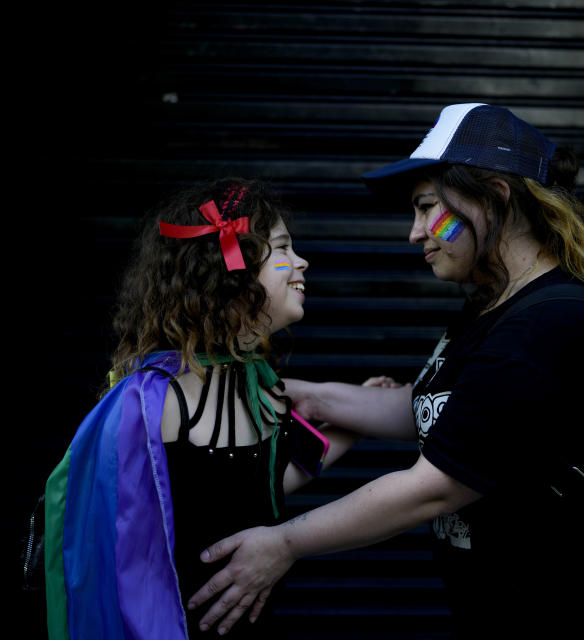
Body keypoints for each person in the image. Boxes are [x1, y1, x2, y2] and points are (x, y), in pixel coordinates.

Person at [187, 105, 584, 637]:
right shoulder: (496, 308)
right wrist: (307, 396)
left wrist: (283, 543)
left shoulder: (550, 324)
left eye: (428, 208)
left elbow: (436, 487)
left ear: (495, 195)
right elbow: (455, 416)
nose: (416, 233)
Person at [42, 178, 358, 640]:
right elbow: (108, 553)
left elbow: (264, 483)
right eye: (284, 247)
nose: (302, 260)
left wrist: (353, 429)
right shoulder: (153, 402)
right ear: (234, 274)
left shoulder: (259, 384)